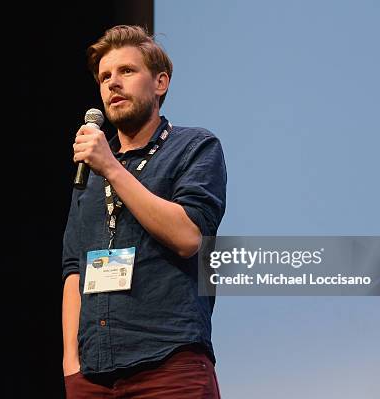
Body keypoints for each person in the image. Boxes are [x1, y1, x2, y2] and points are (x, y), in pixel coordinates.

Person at [61, 25, 227, 398]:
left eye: (127, 71)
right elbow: (75, 267)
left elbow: (188, 238)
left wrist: (113, 169)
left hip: (169, 364)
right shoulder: (91, 169)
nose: (112, 83)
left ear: (160, 83)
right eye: (105, 76)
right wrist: (71, 364)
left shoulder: (194, 147)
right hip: (93, 374)